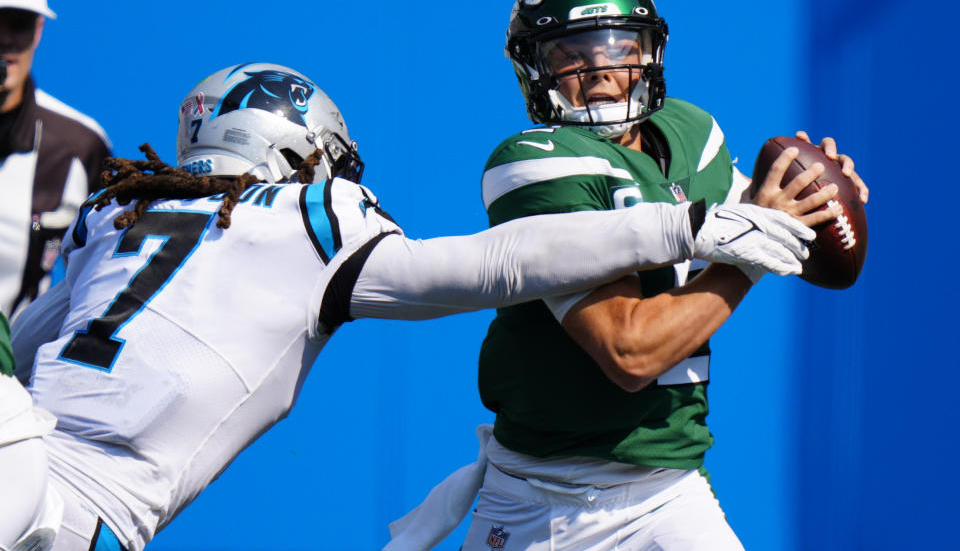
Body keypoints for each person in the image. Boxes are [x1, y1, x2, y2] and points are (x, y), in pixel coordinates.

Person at [1, 61, 813, 551]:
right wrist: (693, 224)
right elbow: (496, 263)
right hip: (72, 516)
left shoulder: (121, 213)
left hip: (24, 462)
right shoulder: (309, 222)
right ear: (298, 151)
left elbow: (19, 340)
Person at [385, 0, 869, 550]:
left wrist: (813, 199)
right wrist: (753, 249)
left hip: (672, 490)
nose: (601, 72)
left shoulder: (694, 135)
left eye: (617, 47)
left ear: (649, 52)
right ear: (535, 70)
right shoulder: (535, 162)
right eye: (571, 55)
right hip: (546, 501)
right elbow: (629, 351)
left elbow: (765, 222)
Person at [0, 0, 112, 320]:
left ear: (39, 29)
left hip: (15, 374)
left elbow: (106, 276)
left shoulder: (79, 145)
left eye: (17, 22)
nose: (5, 40)